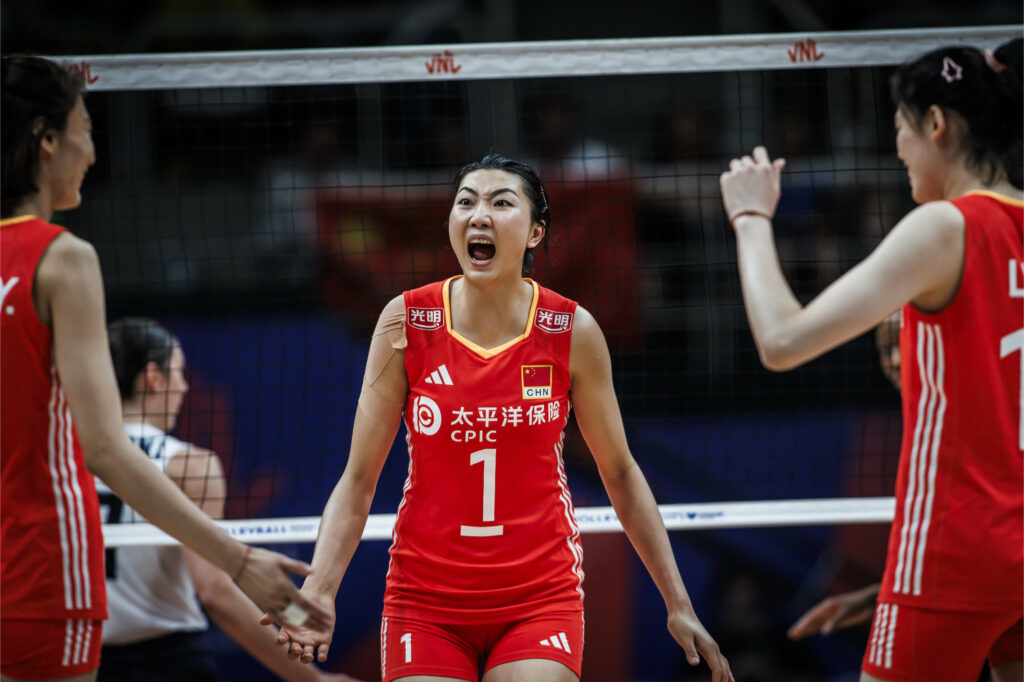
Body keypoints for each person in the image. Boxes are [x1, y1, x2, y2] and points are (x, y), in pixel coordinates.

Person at [266, 153, 732, 682]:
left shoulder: (571, 329)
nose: (479, 215)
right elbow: (357, 481)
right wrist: (318, 590)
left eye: (501, 203)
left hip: (540, 595)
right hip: (426, 598)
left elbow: (621, 473)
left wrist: (678, 602)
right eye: (466, 202)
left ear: (535, 233)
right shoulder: (406, 321)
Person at [0, 55, 329, 682]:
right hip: (50, 568)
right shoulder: (62, 258)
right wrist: (241, 561)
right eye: (86, 130)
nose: (92, 153)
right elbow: (104, 449)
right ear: (47, 141)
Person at [719, 38, 1022, 682]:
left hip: (955, 554)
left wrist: (749, 218)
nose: (898, 149)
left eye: (900, 128)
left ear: (936, 124)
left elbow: (782, 341)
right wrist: (886, 589)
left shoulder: (946, 226)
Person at [95, 318, 356, 682]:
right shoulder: (190, 465)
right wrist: (314, 678)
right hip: (165, 660)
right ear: (153, 377)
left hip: (81, 656)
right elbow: (215, 591)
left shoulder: (66, 461)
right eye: (178, 372)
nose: (185, 386)